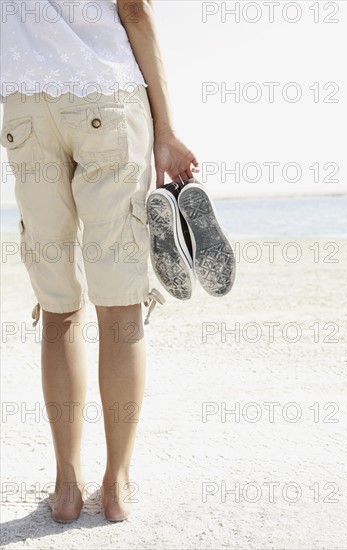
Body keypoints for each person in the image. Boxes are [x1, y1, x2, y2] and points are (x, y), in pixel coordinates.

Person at [0, 0, 199, 523]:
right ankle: (117, 485)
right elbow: (133, 11)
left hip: (24, 108)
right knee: (120, 304)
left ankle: (67, 488)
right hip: (104, 98)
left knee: (59, 305)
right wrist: (166, 131)